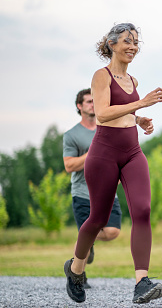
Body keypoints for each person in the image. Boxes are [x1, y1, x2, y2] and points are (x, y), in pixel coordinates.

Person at [63, 23, 162, 304]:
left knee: (142, 210)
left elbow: (124, 114)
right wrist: (140, 105)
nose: (132, 46)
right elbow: (104, 114)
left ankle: (141, 282)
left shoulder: (132, 80)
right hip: (104, 153)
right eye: (126, 41)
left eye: (135, 42)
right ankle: (75, 270)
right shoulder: (101, 75)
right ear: (111, 44)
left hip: (132, 152)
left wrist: (138, 119)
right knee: (96, 219)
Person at [63, 88, 122, 289]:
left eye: (95, 101)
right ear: (79, 106)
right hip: (83, 193)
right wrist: (91, 154)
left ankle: (87, 240)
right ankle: (78, 275)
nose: (93, 104)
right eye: (88, 101)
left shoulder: (107, 130)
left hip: (108, 193)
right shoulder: (72, 135)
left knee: (113, 231)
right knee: (86, 234)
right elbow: (69, 165)